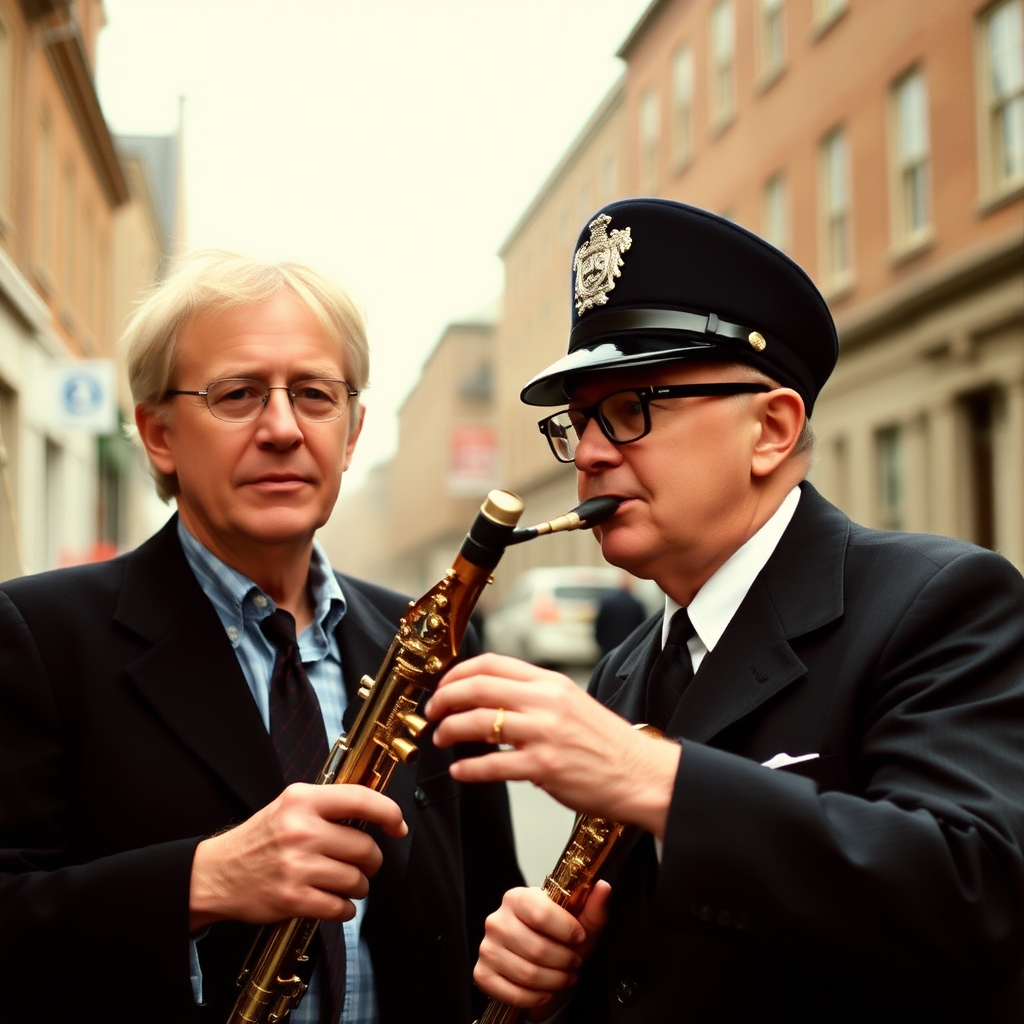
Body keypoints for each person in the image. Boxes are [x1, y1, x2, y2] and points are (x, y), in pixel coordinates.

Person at [425, 198, 1024, 1022]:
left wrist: (655, 778)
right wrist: (560, 973)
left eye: (633, 409)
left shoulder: (941, 602)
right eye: (579, 421)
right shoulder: (626, 669)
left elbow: (977, 894)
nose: (592, 451)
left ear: (772, 430)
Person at [0, 250, 522, 1024]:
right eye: (236, 394)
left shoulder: (436, 640)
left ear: (350, 435)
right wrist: (199, 881)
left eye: (315, 394)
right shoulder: (38, 637)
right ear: (159, 435)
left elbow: (483, 904)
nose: (282, 429)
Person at [593, 573, 649, 656]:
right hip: (629, 647)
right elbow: (643, 628)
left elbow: (600, 626)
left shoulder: (608, 602)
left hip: (609, 647)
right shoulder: (636, 603)